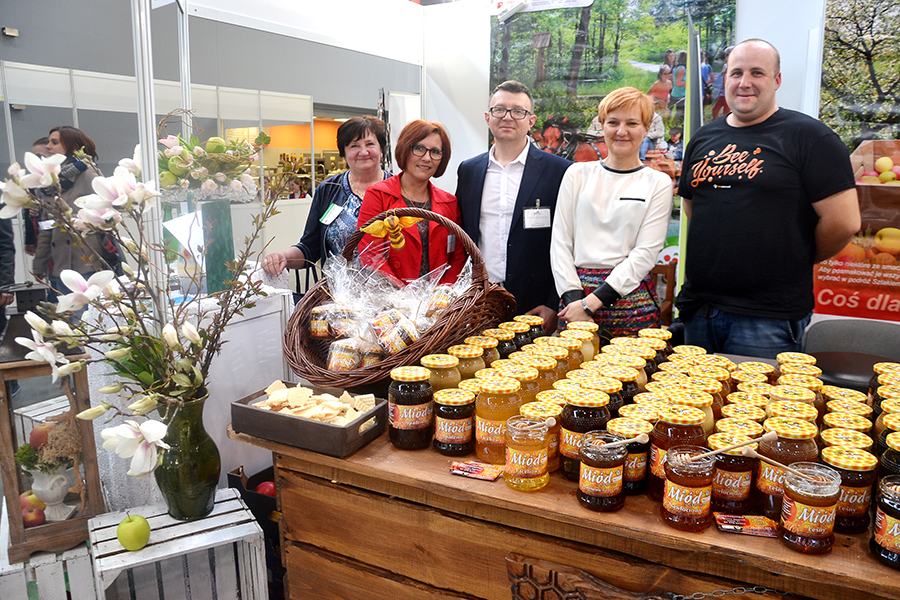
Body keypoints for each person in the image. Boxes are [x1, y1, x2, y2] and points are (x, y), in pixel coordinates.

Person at [675, 39, 860, 358]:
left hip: (768, 317)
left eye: (757, 73)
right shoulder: (703, 138)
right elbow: (694, 207)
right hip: (700, 308)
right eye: (736, 73)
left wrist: (798, 254)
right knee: (696, 392)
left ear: (777, 80)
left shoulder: (810, 137)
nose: (744, 82)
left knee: (760, 395)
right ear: (725, 79)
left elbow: (844, 222)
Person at [551, 87, 673, 336]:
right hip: (574, 300)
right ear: (602, 126)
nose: (621, 131)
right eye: (613, 122)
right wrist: (574, 301)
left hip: (631, 303)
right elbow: (560, 243)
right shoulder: (577, 174)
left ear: (646, 129)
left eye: (632, 123)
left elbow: (645, 253)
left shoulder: (658, 183)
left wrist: (590, 304)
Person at [455, 80, 571, 333]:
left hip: (535, 306)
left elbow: (569, 240)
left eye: (518, 111)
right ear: (488, 117)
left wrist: (553, 303)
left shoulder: (559, 171)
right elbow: (463, 234)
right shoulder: (469, 171)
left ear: (531, 121)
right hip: (480, 301)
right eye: (499, 109)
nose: (507, 117)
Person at [262, 116, 389, 276]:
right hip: (337, 290)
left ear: (382, 149)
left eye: (370, 144)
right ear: (343, 153)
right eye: (354, 146)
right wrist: (283, 257)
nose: (363, 152)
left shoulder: (398, 189)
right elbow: (310, 247)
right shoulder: (328, 189)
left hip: (391, 289)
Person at [357, 120, 465, 285]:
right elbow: (370, 254)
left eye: (435, 152)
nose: (427, 158)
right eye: (419, 149)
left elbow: (457, 257)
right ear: (405, 149)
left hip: (438, 297)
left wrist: (443, 292)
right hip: (390, 295)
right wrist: (402, 294)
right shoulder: (378, 195)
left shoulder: (449, 202)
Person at [32, 126, 108, 298]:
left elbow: (105, 213)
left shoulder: (88, 174)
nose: (48, 147)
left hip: (88, 263)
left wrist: (72, 220)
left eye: (55, 142)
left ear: (72, 146)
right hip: (61, 266)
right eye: (49, 142)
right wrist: (38, 265)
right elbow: (46, 227)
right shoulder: (49, 183)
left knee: (88, 312)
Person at [23, 138, 50, 256]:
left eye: (40, 156)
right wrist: (29, 240)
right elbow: (27, 213)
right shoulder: (33, 181)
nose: (36, 161)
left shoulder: (62, 179)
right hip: (42, 240)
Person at [712, 46, 733, 120]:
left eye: (727, 54)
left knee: (726, 112)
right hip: (722, 92)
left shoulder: (734, 65)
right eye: (725, 55)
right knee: (715, 110)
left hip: (728, 92)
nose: (726, 56)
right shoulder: (725, 65)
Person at [670, 50, 688, 122]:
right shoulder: (681, 68)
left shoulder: (681, 67)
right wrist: (688, 82)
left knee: (680, 114)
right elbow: (678, 83)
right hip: (679, 95)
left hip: (679, 94)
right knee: (680, 115)